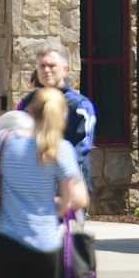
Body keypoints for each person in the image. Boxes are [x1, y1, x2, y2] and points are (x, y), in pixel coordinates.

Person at [0, 86, 87, 278]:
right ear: (62, 116)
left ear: (29, 111)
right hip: (45, 242)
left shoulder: (3, 141)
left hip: (7, 238)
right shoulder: (61, 148)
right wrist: (50, 205)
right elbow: (69, 202)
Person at [15, 48, 97, 195]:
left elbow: (81, 147)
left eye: (52, 66)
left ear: (65, 69)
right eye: (42, 66)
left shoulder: (79, 106)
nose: (46, 70)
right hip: (33, 187)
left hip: (69, 188)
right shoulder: (27, 103)